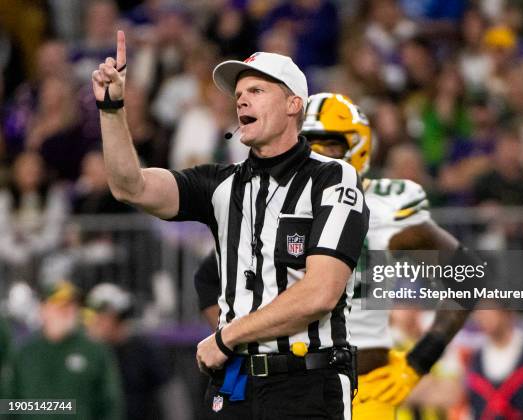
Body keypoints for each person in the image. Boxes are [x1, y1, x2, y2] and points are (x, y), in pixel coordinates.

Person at [92, 31, 369, 419]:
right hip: (235, 383)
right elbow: (129, 186)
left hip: (306, 383)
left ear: (294, 104)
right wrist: (112, 110)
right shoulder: (221, 184)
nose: (241, 99)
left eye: (256, 90)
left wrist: (227, 336)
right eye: (238, 93)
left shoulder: (331, 177)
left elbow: (320, 292)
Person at [195, 92, 483, 419]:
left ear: (358, 146)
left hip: (365, 388)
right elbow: (208, 276)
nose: (318, 153)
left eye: (330, 144)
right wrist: (239, 345)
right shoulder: (275, 204)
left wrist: (418, 361)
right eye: (309, 141)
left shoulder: (387, 207)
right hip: (290, 384)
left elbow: (470, 275)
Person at [2, 280, 123, 419]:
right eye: (60, 305)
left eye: (72, 305)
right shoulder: (25, 353)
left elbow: (109, 404)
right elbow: (9, 403)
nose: (67, 310)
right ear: (44, 309)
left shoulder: (94, 351)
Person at [86, 283, 170, 420]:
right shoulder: (88, 353)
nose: (95, 321)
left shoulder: (143, 350)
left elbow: (168, 394)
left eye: (102, 316)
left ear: (118, 316)